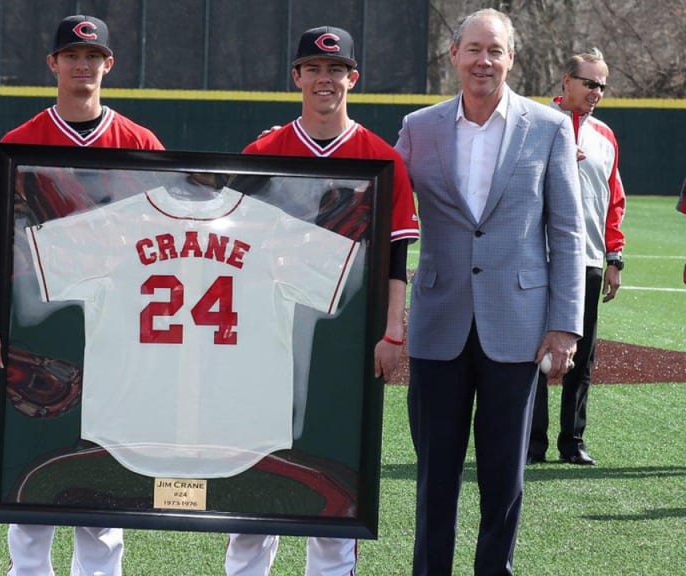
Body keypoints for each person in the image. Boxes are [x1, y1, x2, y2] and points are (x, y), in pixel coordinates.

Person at [0, 15, 163, 576]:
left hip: (117, 323)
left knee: (104, 453)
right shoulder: (19, 142)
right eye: (72, 56)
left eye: (92, 55)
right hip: (33, 321)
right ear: (53, 64)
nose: (82, 65)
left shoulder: (139, 143)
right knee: (32, 449)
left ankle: (99, 571)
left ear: (108, 65)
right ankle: (28, 569)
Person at [394, 9, 585, 576]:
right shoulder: (419, 127)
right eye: (473, 49)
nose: (484, 61)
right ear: (453, 55)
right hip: (436, 325)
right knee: (434, 476)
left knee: (504, 477)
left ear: (511, 59)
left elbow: (569, 233)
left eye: (495, 50)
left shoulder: (548, 128)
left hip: (518, 327)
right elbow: (387, 208)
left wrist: (565, 324)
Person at [223, 25, 419, 576]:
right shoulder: (264, 152)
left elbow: (397, 260)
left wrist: (392, 332)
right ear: (297, 77)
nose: (325, 79)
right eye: (313, 68)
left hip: (346, 337)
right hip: (266, 334)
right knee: (255, 468)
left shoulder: (381, 158)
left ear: (352, 78)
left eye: (336, 70)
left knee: (337, 470)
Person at [528, 49, 626, 467]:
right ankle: (531, 444)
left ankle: (572, 442)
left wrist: (615, 258)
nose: (596, 92)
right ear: (566, 81)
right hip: (536, 256)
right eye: (589, 83)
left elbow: (614, 200)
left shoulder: (605, 135)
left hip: (586, 258)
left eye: (602, 85)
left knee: (581, 355)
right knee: (532, 351)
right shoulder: (532, 125)